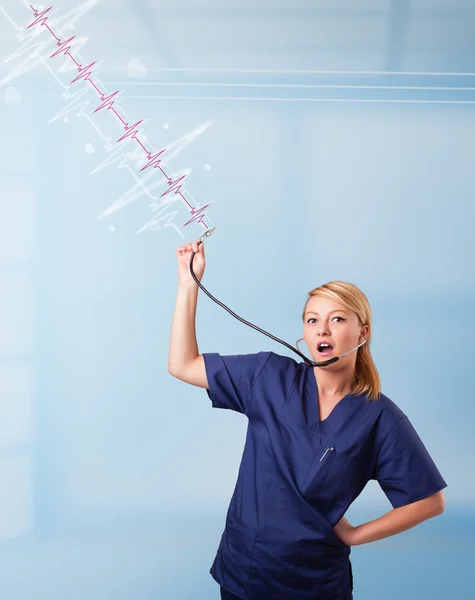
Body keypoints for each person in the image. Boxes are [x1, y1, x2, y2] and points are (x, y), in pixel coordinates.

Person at [168, 239, 447, 600]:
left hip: (313, 583)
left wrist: (355, 534)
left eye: (337, 319)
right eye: (313, 320)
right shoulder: (267, 375)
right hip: (246, 571)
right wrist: (188, 285)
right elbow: (183, 364)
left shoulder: (379, 417)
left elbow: (429, 501)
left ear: (362, 332)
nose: (323, 330)